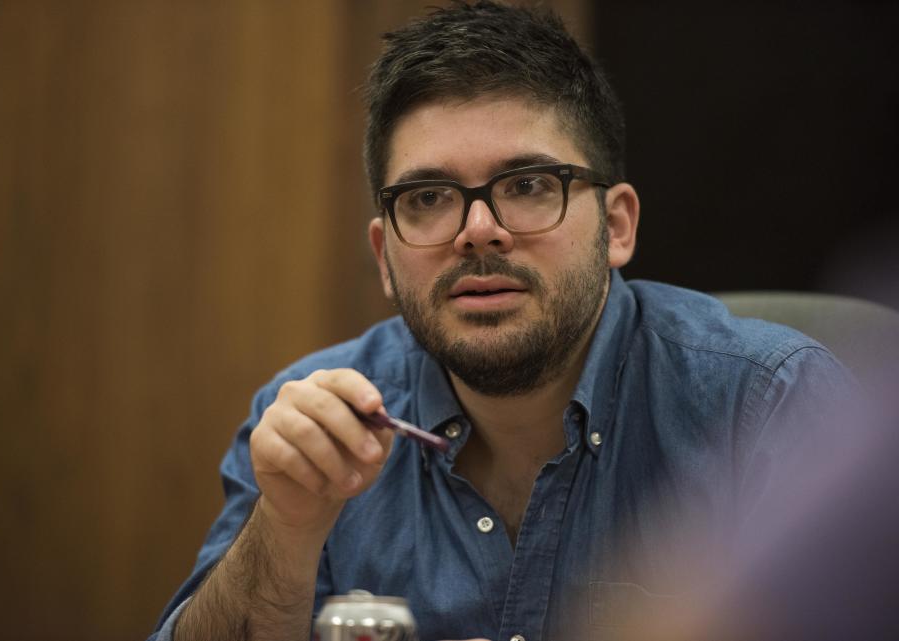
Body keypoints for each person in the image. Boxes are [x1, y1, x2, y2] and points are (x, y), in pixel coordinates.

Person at [150, 2, 855, 640]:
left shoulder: (772, 409)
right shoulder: (307, 423)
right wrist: (287, 529)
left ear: (615, 225)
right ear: (386, 256)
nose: (478, 231)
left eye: (526, 186)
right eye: (428, 196)